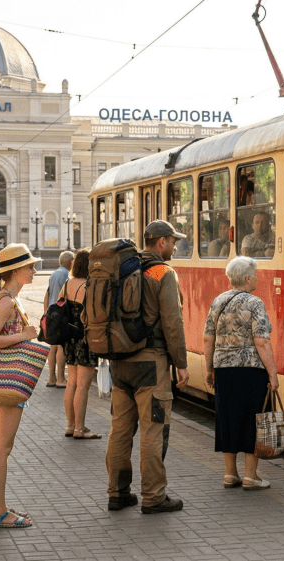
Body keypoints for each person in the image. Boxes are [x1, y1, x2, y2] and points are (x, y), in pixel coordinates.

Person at [106, 220, 190, 514]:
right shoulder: (163, 272)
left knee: (120, 430)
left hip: (119, 364)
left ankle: (118, 493)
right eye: (173, 241)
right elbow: (172, 322)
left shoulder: (121, 269)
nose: (175, 246)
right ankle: (153, 497)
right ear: (161, 242)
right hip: (150, 366)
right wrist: (181, 363)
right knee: (153, 431)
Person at [204, 256, 278, 491]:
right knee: (251, 420)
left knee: (227, 419)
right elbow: (262, 342)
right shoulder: (255, 303)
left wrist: (209, 368)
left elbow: (208, 338)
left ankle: (230, 474)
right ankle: (250, 476)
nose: (257, 278)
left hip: (223, 370)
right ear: (247, 278)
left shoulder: (218, 301)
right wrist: (273, 375)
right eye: (255, 274)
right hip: (251, 371)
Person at [0, 243, 41, 528]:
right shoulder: (6, 301)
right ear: (15, 270)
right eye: (30, 266)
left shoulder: (8, 298)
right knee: (0, 447)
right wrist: (26, 335)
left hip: (10, 380)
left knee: (1, 446)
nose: (34, 270)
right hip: (8, 380)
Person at [61, 249, 99, 439]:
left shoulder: (67, 283)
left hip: (69, 338)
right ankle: (80, 428)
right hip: (86, 338)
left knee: (72, 384)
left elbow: (59, 304)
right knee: (83, 386)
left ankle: (70, 425)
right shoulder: (90, 286)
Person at [43, 251, 74, 388]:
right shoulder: (67, 275)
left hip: (51, 313)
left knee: (53, 347)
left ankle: (51, 378)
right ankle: (61, 378)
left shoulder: (54, 273)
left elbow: (47, 294)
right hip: (61, 314)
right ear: (70, 261)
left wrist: (45, 312)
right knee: (62, 346)